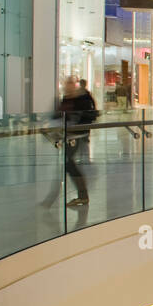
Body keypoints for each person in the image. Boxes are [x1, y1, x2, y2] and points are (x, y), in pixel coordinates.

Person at [58, 75, 97, 207]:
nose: (66, 85)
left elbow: (90, 113)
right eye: (66, 83)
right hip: (68, 135)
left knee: (69, 163)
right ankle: (82, 195)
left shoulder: (83, 97)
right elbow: (60, 114)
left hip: (78, 136)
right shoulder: (66, 98)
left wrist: (78, 123)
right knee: (68, 164)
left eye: (69, 83)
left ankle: (83, 195)